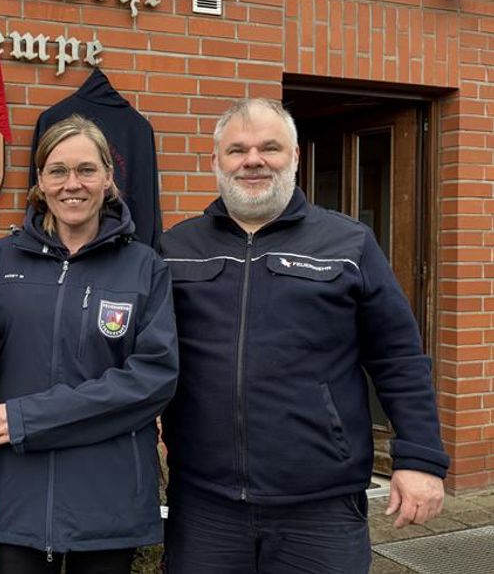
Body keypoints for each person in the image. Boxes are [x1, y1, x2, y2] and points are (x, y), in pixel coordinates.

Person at [159, 98, 449, 573]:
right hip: (204, 505)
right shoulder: (177, 249)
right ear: (215, 162)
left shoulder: (348, 244)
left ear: (295, 157)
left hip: (321, 509)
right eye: (237, 150)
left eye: (269, 148)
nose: (253, 160)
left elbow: (399, 358)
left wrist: (420, 459)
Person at [0, 114, 179, 574]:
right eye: (58, 170)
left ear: (108, 178)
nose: (73, 184)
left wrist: (27, 418)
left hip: (107, 501)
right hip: (16, 497)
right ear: (41, 182)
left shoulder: (143, 267)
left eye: (87, 170)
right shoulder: (0, 260)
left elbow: (152, 380)